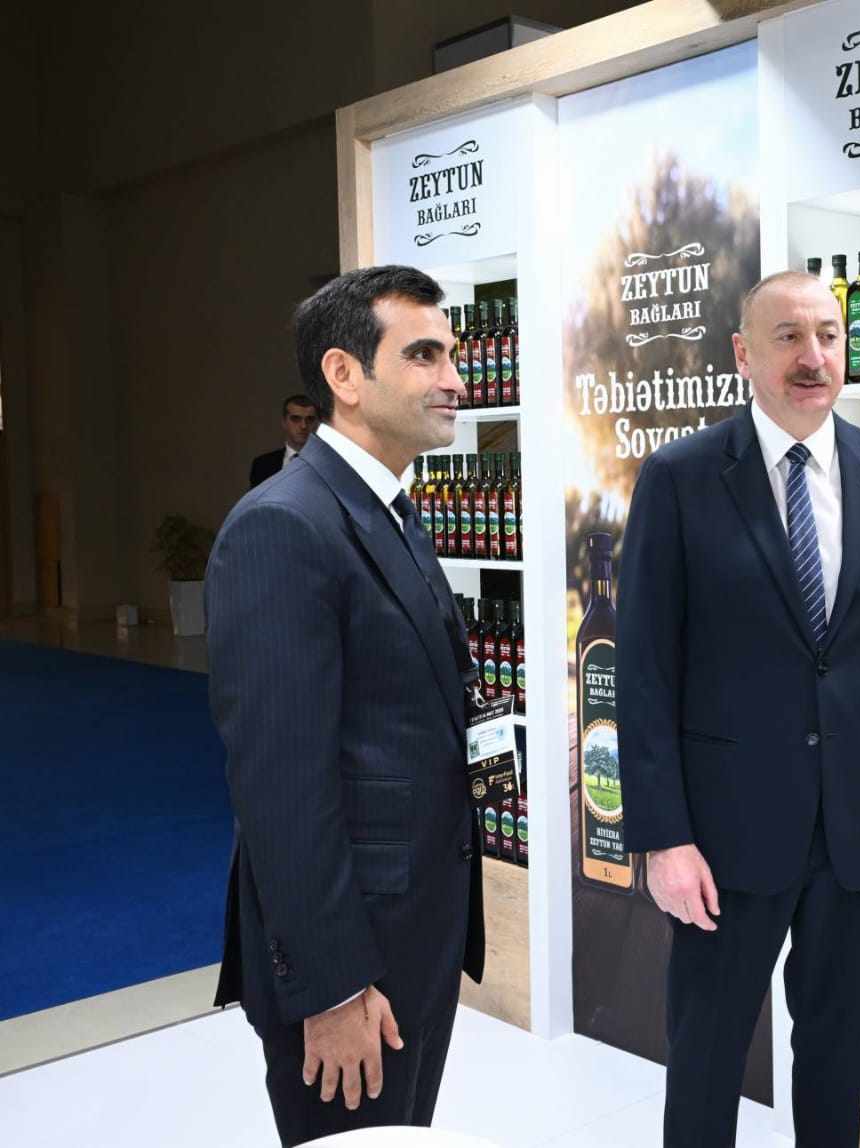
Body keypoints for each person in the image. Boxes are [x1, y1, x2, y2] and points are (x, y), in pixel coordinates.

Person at [616, 270, 860, 1147]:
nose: (813, 357)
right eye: (788, 337)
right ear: (743, 353)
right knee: (706, 1058)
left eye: (828, 337)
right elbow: (644, 672)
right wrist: (662, 837)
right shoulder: (681, 478)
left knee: (837, 1059)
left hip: (858, 834)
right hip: (724, 838)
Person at [206, 266, 483, 1146]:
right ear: (344, 375)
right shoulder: (282, 527)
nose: (454, 378)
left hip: (415, 932)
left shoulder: (390, 509)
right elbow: (280, 787)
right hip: (349, 963)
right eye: (425, 355)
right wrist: (329, 988)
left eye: (452, 354)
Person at [250, 394, 322, 488]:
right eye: (295, 419)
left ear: (317, 424)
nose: (303, 426)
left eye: (310, 419)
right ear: (284, 422)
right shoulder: (262, 465)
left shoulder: (331, 464)